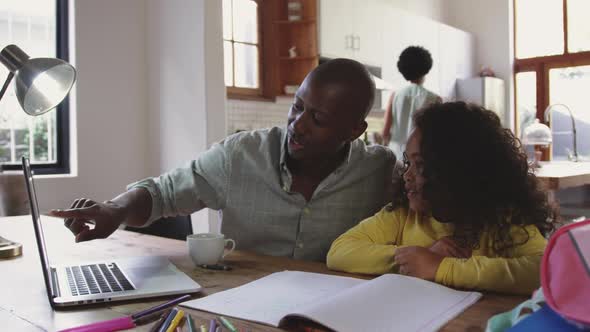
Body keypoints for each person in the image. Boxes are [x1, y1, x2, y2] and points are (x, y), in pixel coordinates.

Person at [50, 58, 395, 262]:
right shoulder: (240, 156)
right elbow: (163, 193)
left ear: (354, 130)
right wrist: (117, 208)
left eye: (318, 119)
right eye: (297, 106)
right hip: (244, 303)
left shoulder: (379, 172)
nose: (298, 126)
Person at [327, 102, 559, 295]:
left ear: (458, 172)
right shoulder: (402, 214)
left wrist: (441, 267)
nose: (406, 175)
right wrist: (419, 255)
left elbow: (545, 270)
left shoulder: (504, 219)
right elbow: (339, 252)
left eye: (420, 165)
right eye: (408, 162)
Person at [381, 46, 441, 158]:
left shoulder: (395, 95)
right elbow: (437, 135)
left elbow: (385, 132)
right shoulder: (435, 99)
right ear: (426, 68)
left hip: (395, 155)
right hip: (419, 156)